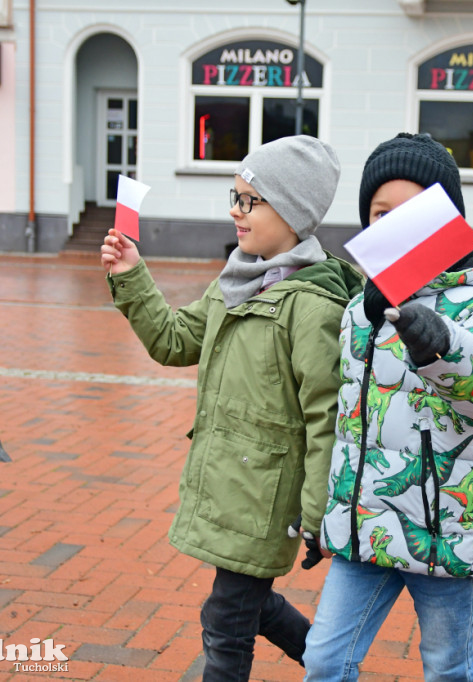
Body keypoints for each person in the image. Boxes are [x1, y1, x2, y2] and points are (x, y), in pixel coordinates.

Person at [99, 135, 364, 680]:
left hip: (266, 498)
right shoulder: (238, 280)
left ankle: (334, 667)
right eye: (234, 196)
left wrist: (318, 514)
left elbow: (327, 419)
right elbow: (174, 340)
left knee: (225, 621)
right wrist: (131, 274)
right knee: (250, 606)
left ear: (290, 211)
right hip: (229, 487)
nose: (234, 211)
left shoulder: (311, 305)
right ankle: (334, 667)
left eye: (249, 200)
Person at [302, 133, 473, 681]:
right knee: (325, 660)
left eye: (411, 212)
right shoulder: (362, 305)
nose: (392, 225)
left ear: (445, 220)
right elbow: (348, 418)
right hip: (366, 524)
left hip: (444, 524)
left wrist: (442, 343)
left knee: (447, 666)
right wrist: (325, 514)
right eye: (380, 212)